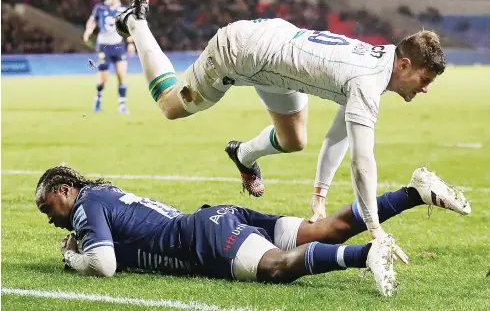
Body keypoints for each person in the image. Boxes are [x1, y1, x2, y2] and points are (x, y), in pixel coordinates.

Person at [113, 0, 449, 245]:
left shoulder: (383, 62)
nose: (425, 89)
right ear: (404, 65)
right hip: (238, 52)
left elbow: (339, 135)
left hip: (277, 57)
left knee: (293, 140)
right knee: (171, 105)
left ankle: (243, 154)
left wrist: (319, 197)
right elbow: (362, 162)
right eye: (425, 80)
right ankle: (135, 23)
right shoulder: (369, 80)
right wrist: (374, 229)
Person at [36, 165, 470, 297]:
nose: (48, 215)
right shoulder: (103, 194)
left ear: (64, 190)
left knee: (278, 268)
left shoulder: (85, 206)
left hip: (200, 237)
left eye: (47, 205)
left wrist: (72, 255)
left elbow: (103, 264)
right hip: (215, 217)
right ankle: (415, 192)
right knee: (326, 229)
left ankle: (366, 255)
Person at [83, 0, 135, 114]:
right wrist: (88, 31)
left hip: (118, 45)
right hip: (104, 46)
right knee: (103, 78)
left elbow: (128, 27)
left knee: (121, 75)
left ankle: (122, 105)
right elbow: (92, 21)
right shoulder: (100, 8)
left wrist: (130, 43)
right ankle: (98, 99)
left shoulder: (123, 9)